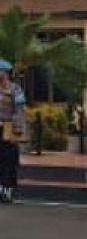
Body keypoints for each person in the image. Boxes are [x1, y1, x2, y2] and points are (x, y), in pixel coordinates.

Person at [0, 59, 26, 205]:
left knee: (9, 160)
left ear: (5, 73)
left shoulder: (15, 90)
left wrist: (18, 131)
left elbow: (20, 111)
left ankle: (7, 189)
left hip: (9, 129)